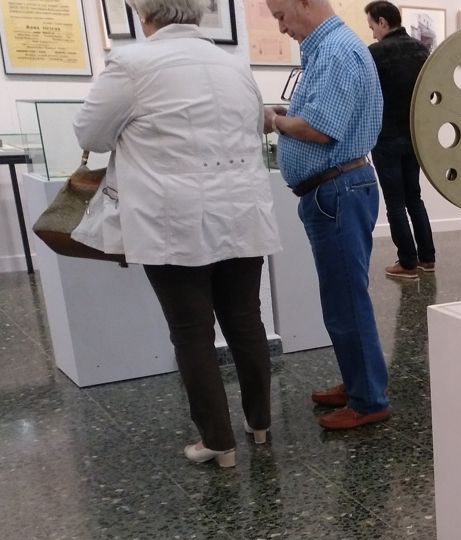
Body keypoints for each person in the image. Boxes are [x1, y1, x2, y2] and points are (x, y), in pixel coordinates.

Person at [73, 0, 281, 468]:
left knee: (191, 333)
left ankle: (218, 442)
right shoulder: (234, 66)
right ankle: (260, 424)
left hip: (171, 218)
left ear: (143, 14)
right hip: (241, 212)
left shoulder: (131, 63)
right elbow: (254, 126)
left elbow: (90, 135)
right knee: (247, 322)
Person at [264, 0, 391, 430]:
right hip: (336, 189)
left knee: (346, 300)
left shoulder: (336, 51)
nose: (281, 28)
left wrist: (277, 122)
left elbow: (321, 129)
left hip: (337, 191)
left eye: (281, 16)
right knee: (342, 296)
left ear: (304, 2)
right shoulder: (329, 50)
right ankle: (360, 383)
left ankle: (369, 399)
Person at [363, 0, 436, 281]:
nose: (372, 33)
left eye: (372, 26)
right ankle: (427, 258)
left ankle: (407, 262)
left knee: (395, 202)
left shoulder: (375, 54)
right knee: (414, 196)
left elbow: (368, 96)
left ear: (383, 22)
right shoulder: (421, 49)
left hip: (387, 137)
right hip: (414, 135)